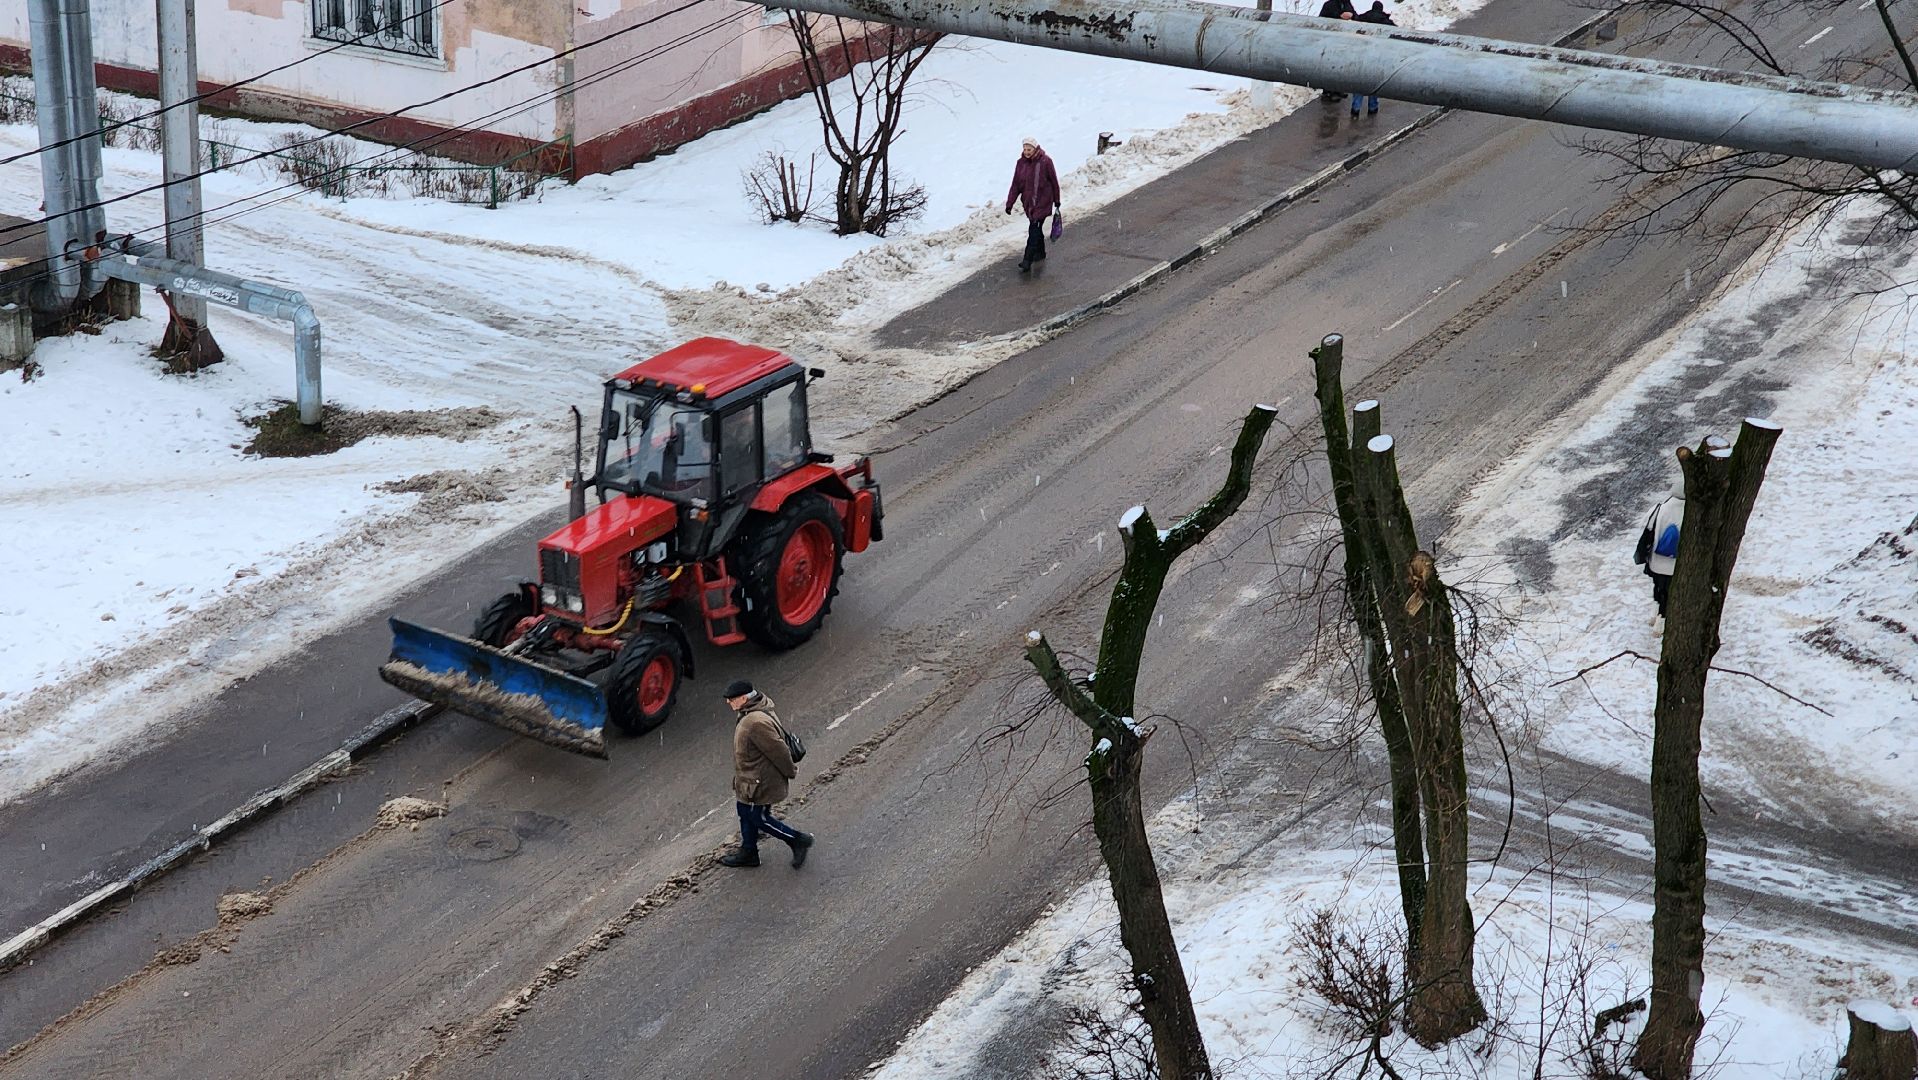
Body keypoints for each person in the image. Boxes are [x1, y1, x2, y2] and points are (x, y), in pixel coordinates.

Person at [718, 679, 814, 868]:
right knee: (745, 812)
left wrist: (790, 771)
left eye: (731, 699)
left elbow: (778, 750)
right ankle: (749, 851)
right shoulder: (753, 711)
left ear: (744, 698)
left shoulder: (755, 722)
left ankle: (797, 840)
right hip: (750, 779)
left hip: (759, 781)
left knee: (757, 817)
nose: (728, 703)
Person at [1005, 137, 1061, 273]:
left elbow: (1054, 181)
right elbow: (1016, 185)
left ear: (1035, 149)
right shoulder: (1021, 164)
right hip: (1029, 204)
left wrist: (1056, 200)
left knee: (1033, 230)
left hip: (1043, 202)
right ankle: (1040, 253)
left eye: (1029, 149)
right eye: (1024, 149)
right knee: (1036, 229)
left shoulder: (1046, 161)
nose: (1026, 152)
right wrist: (1009, 203)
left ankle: (1027, 260)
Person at [1633, 492, 1685, 625]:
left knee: (1658, 588)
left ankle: (1654, 615)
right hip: (1675, 565)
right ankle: (1661, 623)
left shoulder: (1660, 508)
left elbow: (1645, 525)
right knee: (1668, 593)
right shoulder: (1690, 513)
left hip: (1656, 562)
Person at [1351, 2, 1396, 117]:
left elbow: (1355, 22)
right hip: (1377, 56)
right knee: (1374, 82)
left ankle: (1355, 109)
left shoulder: (1364, 17)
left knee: (1359, 82)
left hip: (1362, 55)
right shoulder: (1386, 21)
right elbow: (1396, 31)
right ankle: (1372, 107)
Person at [1317, 0, 1358, 100]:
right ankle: (1327, 91)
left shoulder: (1347, 3)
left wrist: (1352, 16)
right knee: (1329, 66)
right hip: (1330, 40)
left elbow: (1356, 16)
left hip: (1343, 40)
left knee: (1340, 66)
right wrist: (1339, 16)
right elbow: (1321, 21)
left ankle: (1338, 89)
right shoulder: (1329, 5)